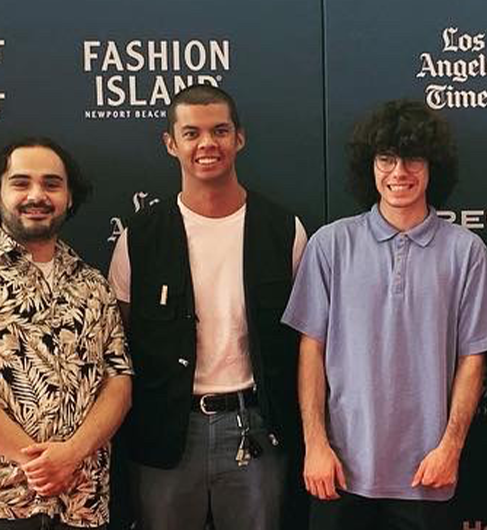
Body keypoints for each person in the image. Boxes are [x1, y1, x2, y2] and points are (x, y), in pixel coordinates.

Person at [281, 99, 487, 530]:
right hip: (340, 472)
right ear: (371, 166)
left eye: (413, 158)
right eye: (386, 159)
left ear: (433, 165)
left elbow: (473, 359)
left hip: (427, 474)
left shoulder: (467, 252)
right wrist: (316, 444)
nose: (399, 172)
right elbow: (311, 350)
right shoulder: (330, 245)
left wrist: (451, 448)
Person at [110, 84, 308, 530]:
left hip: (258, 428)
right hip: (166, 434)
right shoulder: (139, 239)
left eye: (219, 131)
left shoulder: (284, 230)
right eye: (192, 133)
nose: (207, 145)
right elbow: (120, 343)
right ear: (170, 143)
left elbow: (306, 343)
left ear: (239, 138)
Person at [0, 137, 133, 529]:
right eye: (20, 183)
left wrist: (71, 456)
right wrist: (37, 465)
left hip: (81, 505)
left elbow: (118, 385)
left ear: (68, 197)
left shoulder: (92, 283)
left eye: (51, 184)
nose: (37, 195)